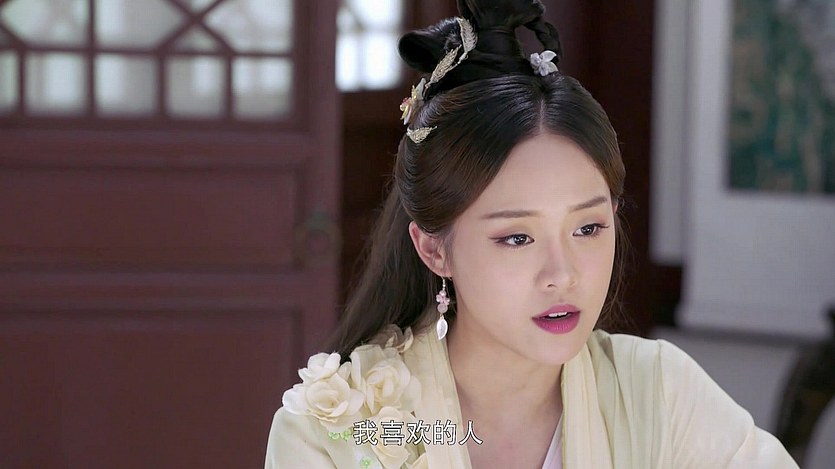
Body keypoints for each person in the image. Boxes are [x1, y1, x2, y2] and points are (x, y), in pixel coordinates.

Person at [265, 0, 799, 467]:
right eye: (517, 238)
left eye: (588, 227)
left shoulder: (660, 394)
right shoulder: (339, 427)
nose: (562, 274)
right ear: (433, 248)